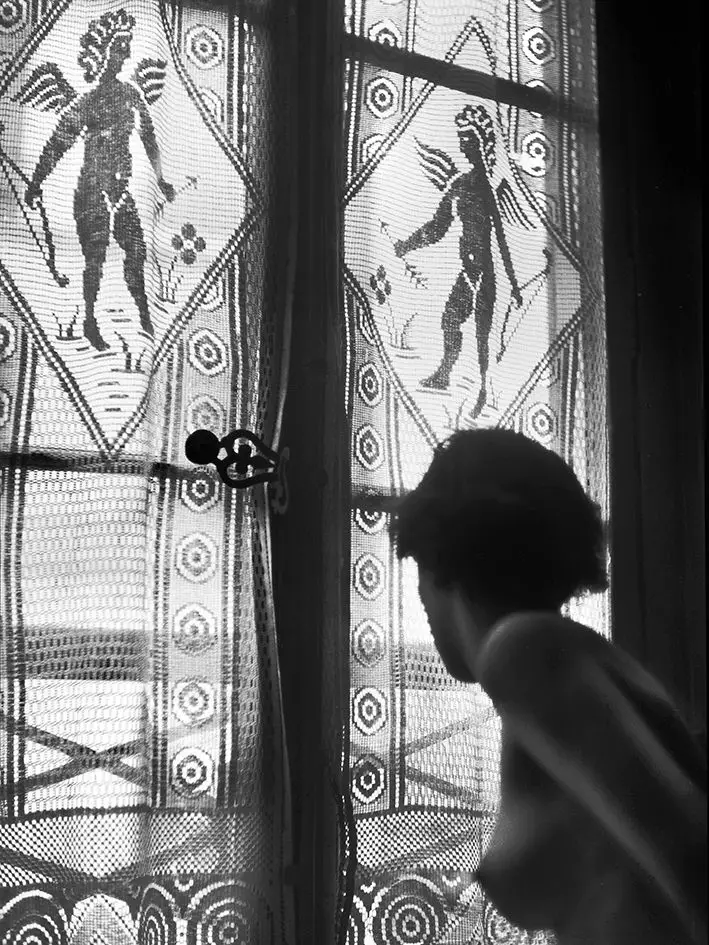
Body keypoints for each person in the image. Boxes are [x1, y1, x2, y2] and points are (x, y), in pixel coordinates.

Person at [389, 428, 707, 944]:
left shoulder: (523, 650)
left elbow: (689, 854)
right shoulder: (563, 660)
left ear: (437, 557)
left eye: (417, 567)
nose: (420, 597)